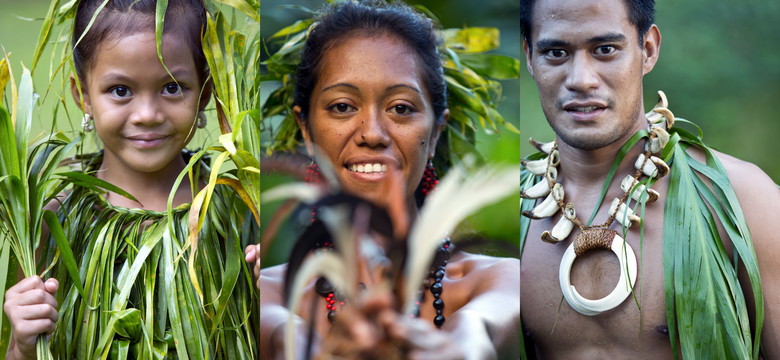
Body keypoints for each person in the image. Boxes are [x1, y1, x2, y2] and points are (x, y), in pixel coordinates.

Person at [243, 1, 520, 358]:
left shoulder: (499, 281)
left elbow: (477, 330)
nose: (372, 133)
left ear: (436, 132)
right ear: (306, 129)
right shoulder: (267, 292)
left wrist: (458, 347)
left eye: (401, 108)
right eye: (342, 106)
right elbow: (287, 340)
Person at [519, 0, 780, 358]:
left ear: (648, 49)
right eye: (556, 52)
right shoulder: (507, 209)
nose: (581, 79)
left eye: (605, 49)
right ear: (530, 57)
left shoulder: (743, 200)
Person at [3, 0, 257, 358]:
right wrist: (26, 344)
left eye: (172, 87)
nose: (148, 115)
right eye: (121, 90)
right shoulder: (53, 221)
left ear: (206, 90)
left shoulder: (239, 213)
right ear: (83, 96)